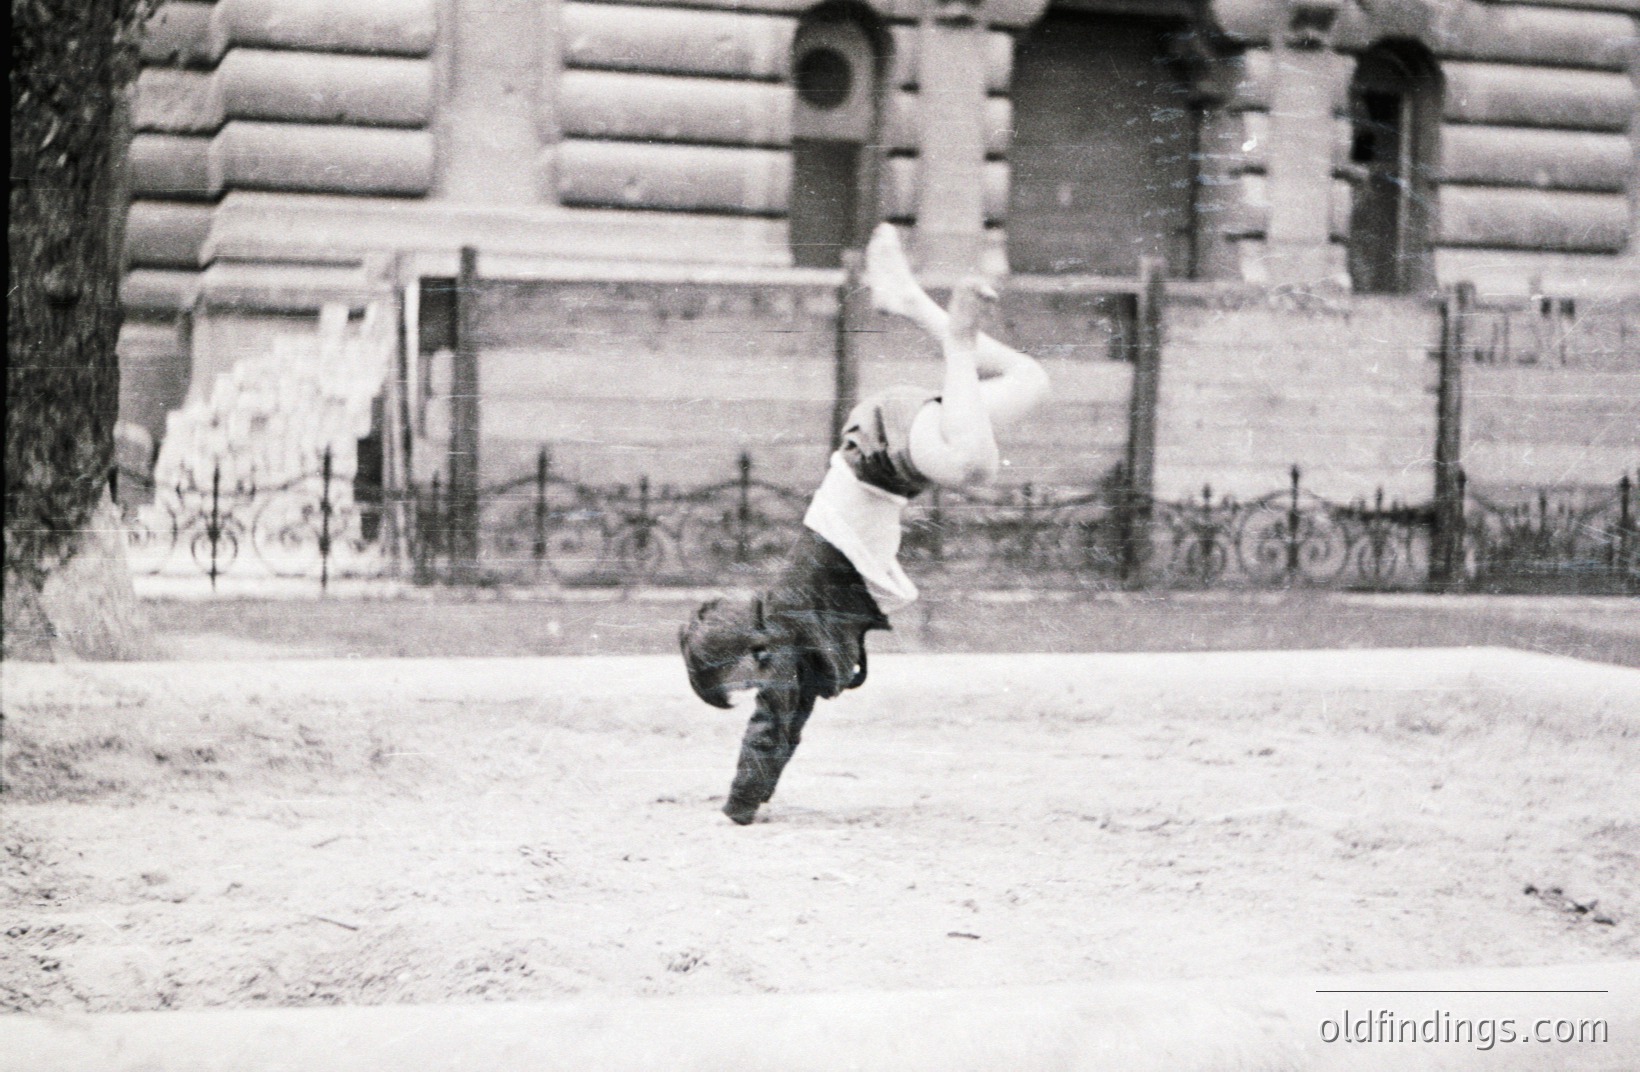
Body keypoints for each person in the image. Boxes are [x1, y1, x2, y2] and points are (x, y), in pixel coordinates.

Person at [680, 223, 1049, 824]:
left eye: (741, 682)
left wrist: (740, 806)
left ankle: (957, 339)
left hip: (880, 447)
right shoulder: (787, 622)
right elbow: (789, 716)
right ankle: (910, 303)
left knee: (976, 464)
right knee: (1031, 381)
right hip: (891, 455)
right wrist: (760, 794)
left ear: (745, 653)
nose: (755, 689)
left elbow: (772, 718)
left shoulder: (786, 619)